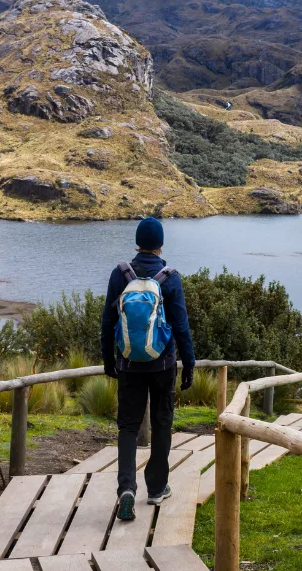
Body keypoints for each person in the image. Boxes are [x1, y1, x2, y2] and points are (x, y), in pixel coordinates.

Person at [101, 217, 195, 521]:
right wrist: (189, 365)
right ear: (160, 245)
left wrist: (108, 360)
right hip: (163, 365)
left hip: (128, 364)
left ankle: (126, 488)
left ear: (138, 243)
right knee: (162, 423)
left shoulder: (120, 275)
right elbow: (181, 327)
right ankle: (156, 488)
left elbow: (107, 323)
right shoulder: (170, 278)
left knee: (128, 426)